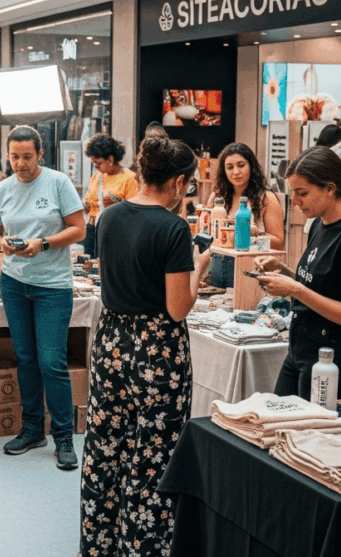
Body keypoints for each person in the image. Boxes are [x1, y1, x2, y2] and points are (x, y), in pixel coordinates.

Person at [80, 136, 210, 557]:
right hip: (156, 348)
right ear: (177, 181)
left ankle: (100, 545)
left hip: (110, 339)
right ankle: (143, 547)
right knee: (154, 450)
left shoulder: (109, 217)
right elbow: (177, 308)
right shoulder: (173, 229)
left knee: (105, 445)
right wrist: (200, 270)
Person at [0, 126, 87, 470]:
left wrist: (42, 243)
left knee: (51, 362)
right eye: (14, 156)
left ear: (40, 154)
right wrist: (1, 245)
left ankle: (63, 437)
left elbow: (78, 228)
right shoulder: (3, 188)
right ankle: (32, 429)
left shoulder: (58, 183)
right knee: (25, 358)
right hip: (14, 282)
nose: (20, 163)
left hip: (53, 286)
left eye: (27, 156)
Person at [255, 147, 341, 399]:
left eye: (303, 193)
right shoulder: (320, 224)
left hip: (331, 356)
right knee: (279, 423)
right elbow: (317, 286)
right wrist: (284, 272)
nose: (296, 201)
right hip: (300, 349)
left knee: (307, 433)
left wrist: (293, 288)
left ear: (330, 188)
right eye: (293, 193)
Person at [206, 142, 285, 251]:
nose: (236, 172)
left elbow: (279, 244)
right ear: (224, 171)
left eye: (241, 165)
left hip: (253, 262)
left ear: (251, 166)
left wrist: (256, 233)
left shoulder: (266, 198)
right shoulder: (219, 197)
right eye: (230, 167)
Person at [81, 134, 138, 256]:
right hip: (92, 229)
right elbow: (89, 200)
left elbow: (135, 213)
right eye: (94, 163)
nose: (96, 167)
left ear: (110, 160)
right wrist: (85, 205)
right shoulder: (97, 176)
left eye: (98, 163)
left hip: (114, 231)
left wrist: (117, 204)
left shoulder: (129, 179)